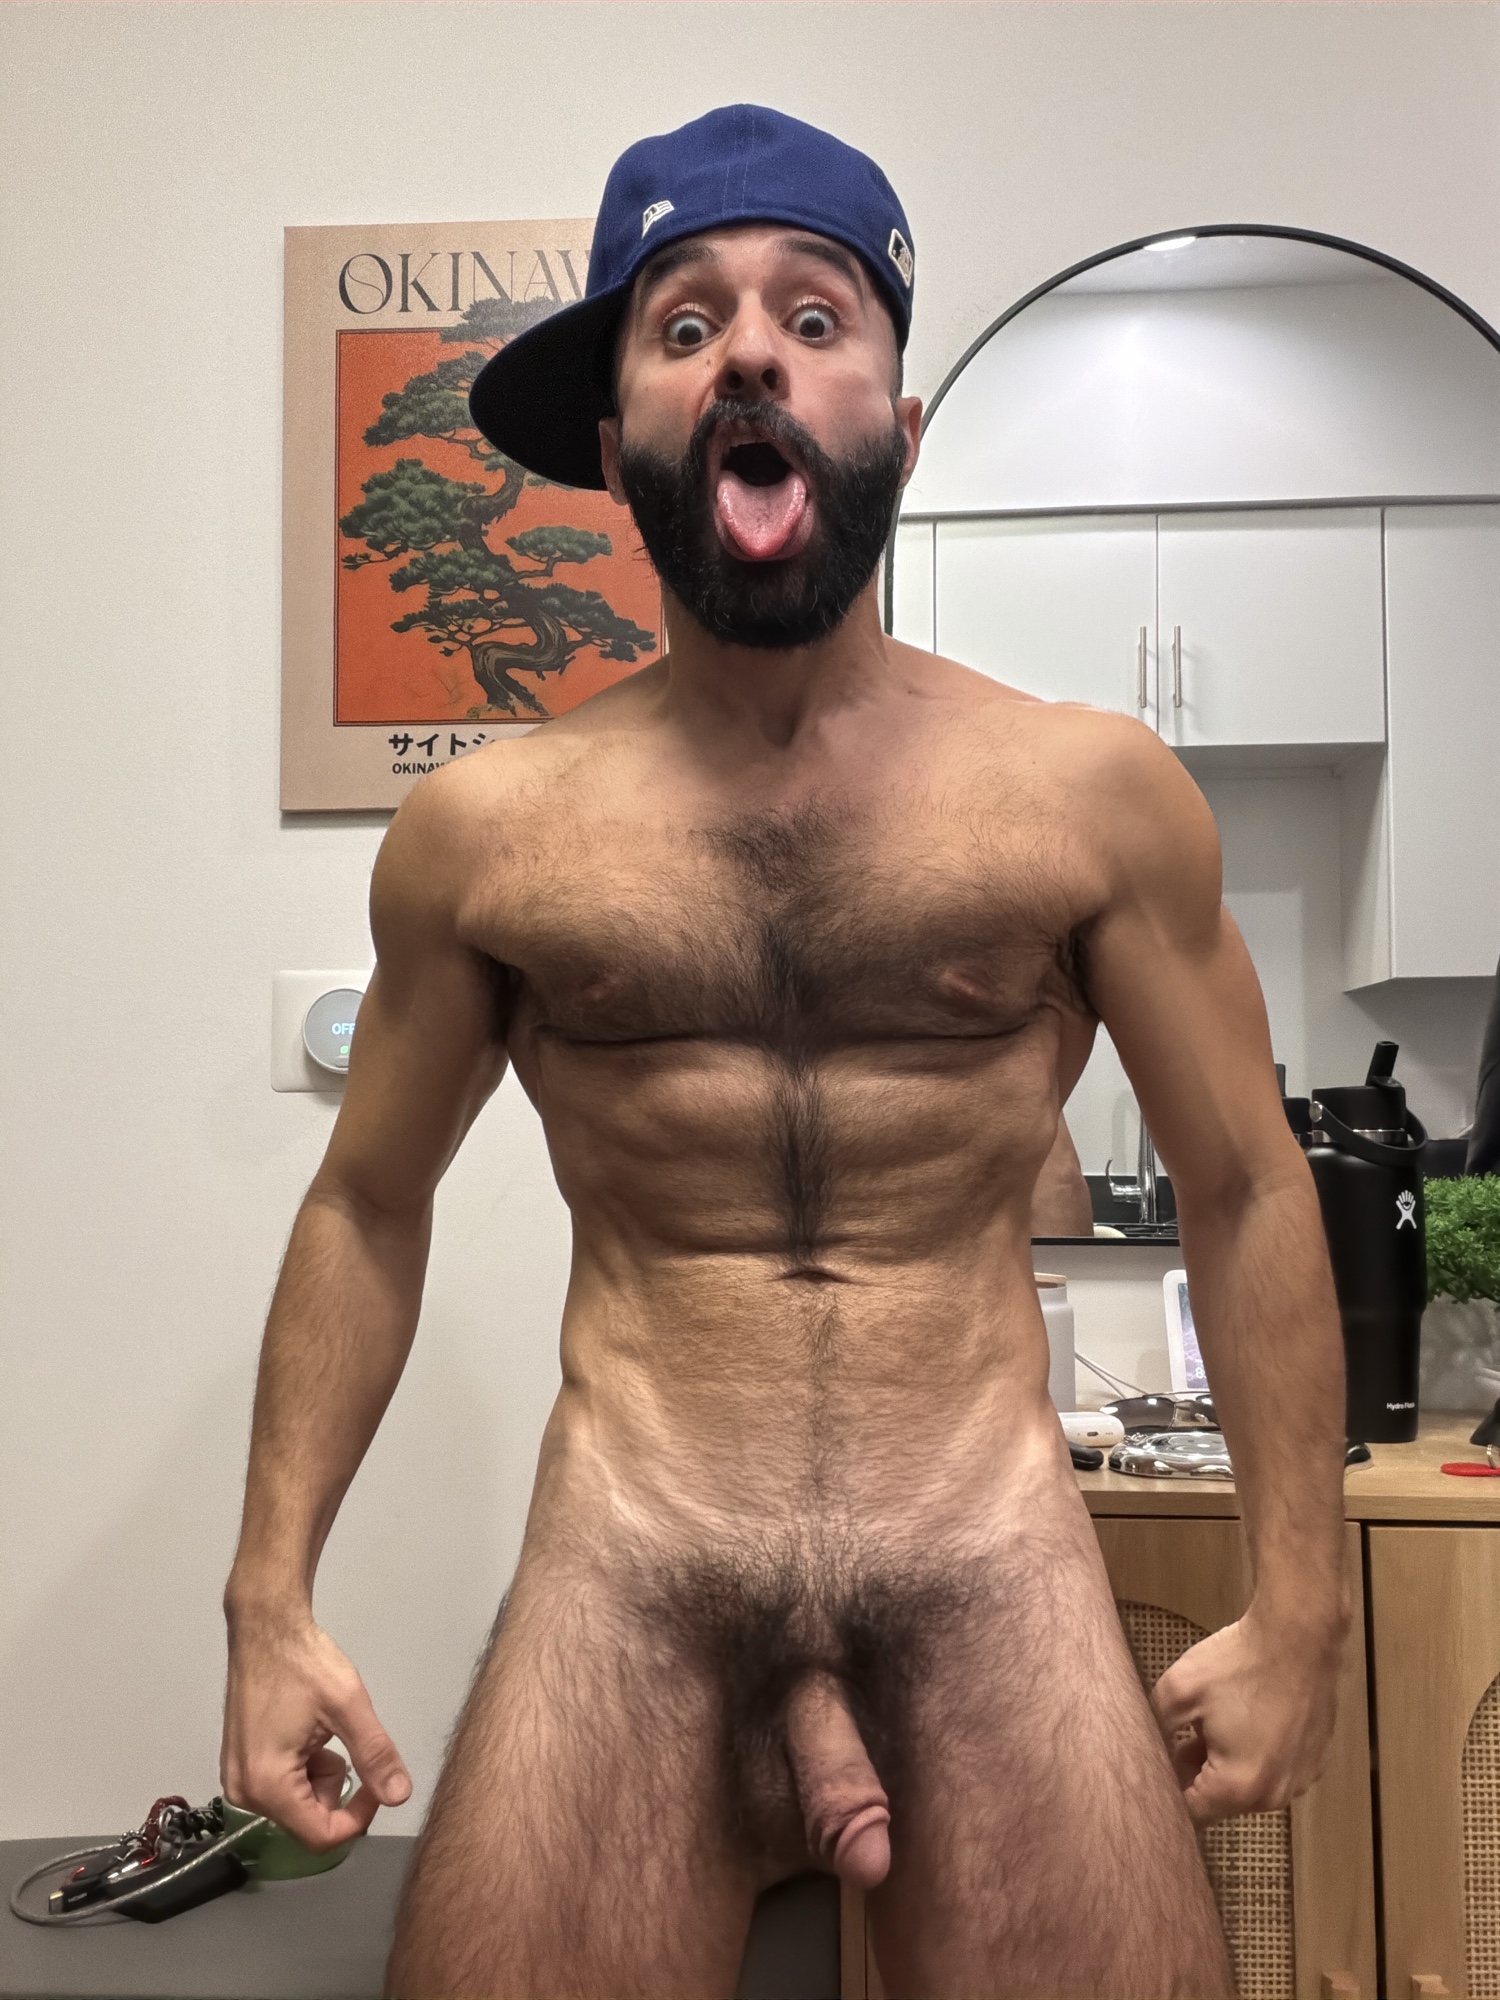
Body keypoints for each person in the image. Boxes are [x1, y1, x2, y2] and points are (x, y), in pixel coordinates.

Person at [221, 106, 1350, 1999]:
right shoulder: (488, 835)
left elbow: (1242, 1185)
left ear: (901, 428)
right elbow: (366, 1205)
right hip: (633, 1567)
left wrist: (1305, 1598)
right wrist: (268, 1595)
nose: (750, 351)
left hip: (988, 1561)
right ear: (616, 448)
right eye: (685, 325)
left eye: (814, 317)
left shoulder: (1089, 798)